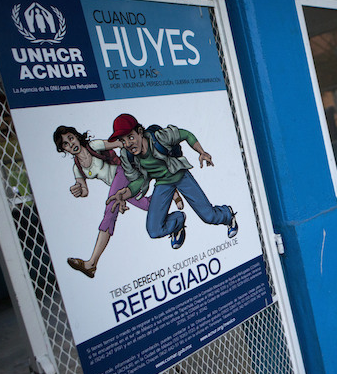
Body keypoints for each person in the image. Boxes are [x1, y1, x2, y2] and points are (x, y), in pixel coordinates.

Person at [54, 125, 183, 278]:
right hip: (120, 186)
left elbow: (117, 144)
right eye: (66, 144)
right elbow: (84, 190)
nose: (71, 144)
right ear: (64, 150)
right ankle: (170, 196)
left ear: (76, 137)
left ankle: (92, 263)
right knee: (148, 205)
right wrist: (78, 191)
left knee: (110, 210)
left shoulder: (93, 146)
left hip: (122, 172)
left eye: (71, 138)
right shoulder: (77, 168)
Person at [106, 113, 237, 250]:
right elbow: (138, 181)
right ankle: (178, 222)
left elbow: (185, 134)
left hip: (180, 175)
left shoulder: (160, 138)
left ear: (140, 132)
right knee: (154, 230)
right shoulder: (128, 156)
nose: (128, 144)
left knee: (209, 216)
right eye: (123, 140)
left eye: (130, 137)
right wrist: (124, 194)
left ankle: (227, 214)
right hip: (163, 183)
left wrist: (201, 152)